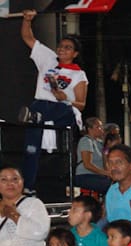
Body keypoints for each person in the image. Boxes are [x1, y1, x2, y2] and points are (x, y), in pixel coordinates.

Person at [18, 9, 87, 193]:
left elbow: (81, 104)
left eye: (68, 47)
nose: (62, 49)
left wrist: (66, 99)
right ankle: (28, 186)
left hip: (64, 111)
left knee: (60, 108)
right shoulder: (48, 59)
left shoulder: (78, 74)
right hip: (40, 108)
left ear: (75, 53)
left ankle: (36, 116)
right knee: (31, 149)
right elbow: (28, 38)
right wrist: (27, 20)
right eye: (61, 46)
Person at [74, 117, 111, 195]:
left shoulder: (100, 143)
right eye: (98, 127)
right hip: (85, 175)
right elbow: (87, 165)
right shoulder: (86, 141)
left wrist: (107, 144)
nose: (101, 129)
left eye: (101, 126)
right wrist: (106, 173)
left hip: (98, 176)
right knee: (112, 186)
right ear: (90, 129)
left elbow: (105, 158)